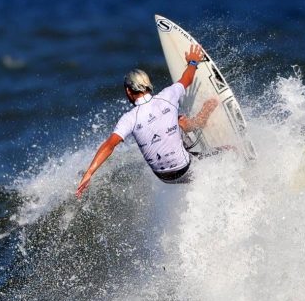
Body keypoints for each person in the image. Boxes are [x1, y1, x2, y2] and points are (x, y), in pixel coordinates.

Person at [76, 44, 218, 198]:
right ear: (147, 85)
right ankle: (200, 121)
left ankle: (196, 125)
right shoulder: (168, 96)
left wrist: (89, 173)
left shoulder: (129, 118)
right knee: (230, 149)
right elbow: (188, 78)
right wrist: (192, 62)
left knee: (178, 121)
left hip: (164, 177)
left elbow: (109, 145)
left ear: (128, 91)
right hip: (185, 169)